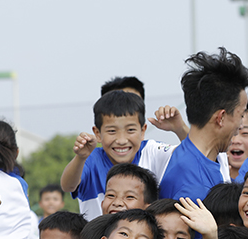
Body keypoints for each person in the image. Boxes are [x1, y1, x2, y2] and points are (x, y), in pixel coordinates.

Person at [158, 48, 248, 202]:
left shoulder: (208, 159)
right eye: (241, 115)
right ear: (221, 117)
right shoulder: (195, 189)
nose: (240, 125)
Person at [62, 91, 173, 220]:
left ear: (143, 131)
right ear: (97, 133)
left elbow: (195, 156)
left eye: (130, 130)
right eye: (112, 131)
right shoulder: (91, 159)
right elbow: (68, 186)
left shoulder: (153, 151)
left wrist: (179, 129)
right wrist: (80, 158)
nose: (121, 140)